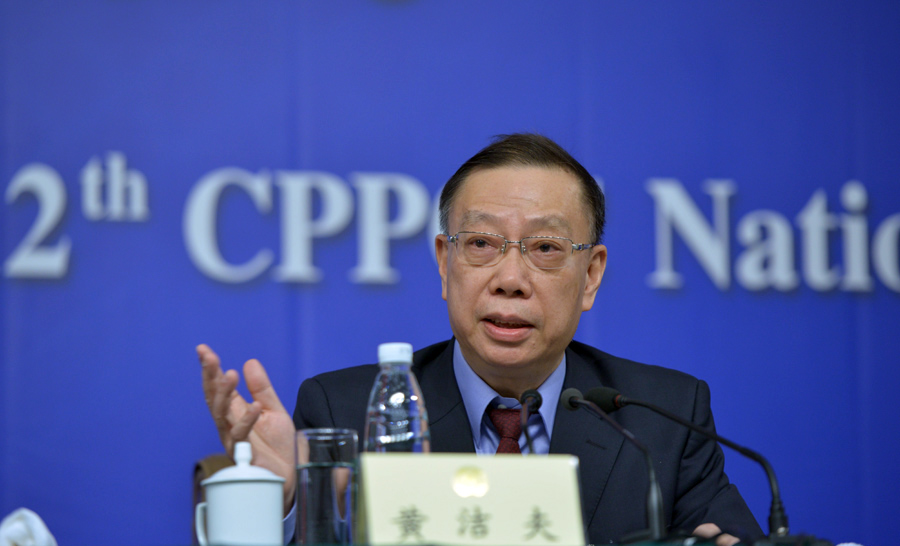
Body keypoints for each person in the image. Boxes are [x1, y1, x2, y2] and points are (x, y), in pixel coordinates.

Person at [199, 133, 763, 545]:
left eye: (545, 248)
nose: (509, 279)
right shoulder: (344, 412)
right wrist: (282, 506)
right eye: (482, 244)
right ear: (445, 264)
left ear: (591, 276)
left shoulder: (662, 417)